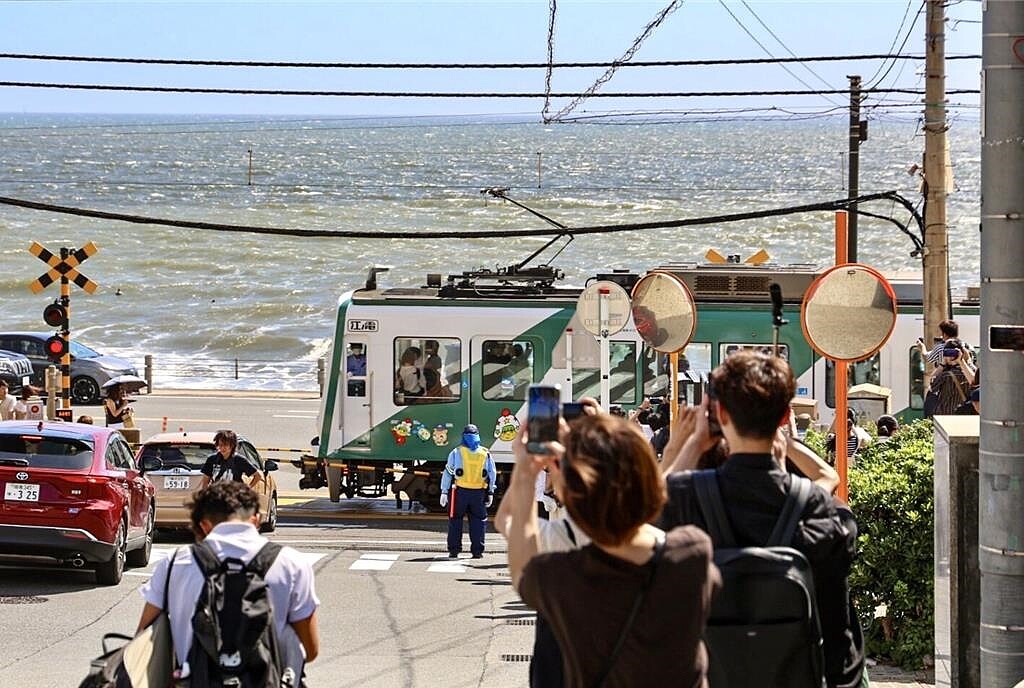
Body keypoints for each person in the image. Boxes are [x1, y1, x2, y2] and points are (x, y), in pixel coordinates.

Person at [659, 350, 865, 688]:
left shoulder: (683, 498)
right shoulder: (817, 509)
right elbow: (838, 626)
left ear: (721, 414)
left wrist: (690, 445)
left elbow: (642, 522)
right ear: (785, 416)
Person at [503, 413, 720, 688]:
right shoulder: (691, 552)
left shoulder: (556, 578)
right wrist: (691, 444)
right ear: (648, 481)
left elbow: (516, 538)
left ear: (568, 496)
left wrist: (527, 469)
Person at [136, 481, 320, 684]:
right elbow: (310, 650)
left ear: (204, 525)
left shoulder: (175, 563)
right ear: (256, 520)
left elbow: (143, 637)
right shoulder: (292, 563)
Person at [440, 424, 496, 559]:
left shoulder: (456, 452)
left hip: (459, 493)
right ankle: (477, 552)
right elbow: (492, 474)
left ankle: (454, 551)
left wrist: (444, 491)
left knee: (455, 520)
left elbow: (448, 472)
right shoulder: (485, 453)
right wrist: (490, 492)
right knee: (478, 521)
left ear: (463, 437)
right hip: (479, 493)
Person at [199, 429, 264, 490]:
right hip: (216, 495)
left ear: (232, 445)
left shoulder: (239, 460)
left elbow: (258, 476)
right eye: (220, 445)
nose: (222, 448)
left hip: (234, 495)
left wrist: (246, 489)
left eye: (225, 445)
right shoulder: (212, 459)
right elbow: (205, 481)